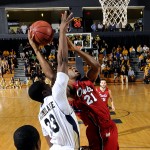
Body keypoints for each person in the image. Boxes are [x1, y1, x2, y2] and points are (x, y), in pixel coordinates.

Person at [28, 11, 80, 150]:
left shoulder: (41, 113)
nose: (50, 83)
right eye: (47, 85)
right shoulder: (56, 95)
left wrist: (36, 49)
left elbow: (49, 142)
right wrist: (62, 31)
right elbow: (62, 61)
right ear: (45, 92)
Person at [67, 39, 119, 150]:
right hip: (98, 129)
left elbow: (96, 66)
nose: (73, 67)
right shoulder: (69, 92)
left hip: (110, 125)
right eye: (70, 68)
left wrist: (76, 50)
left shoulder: (86, 81)